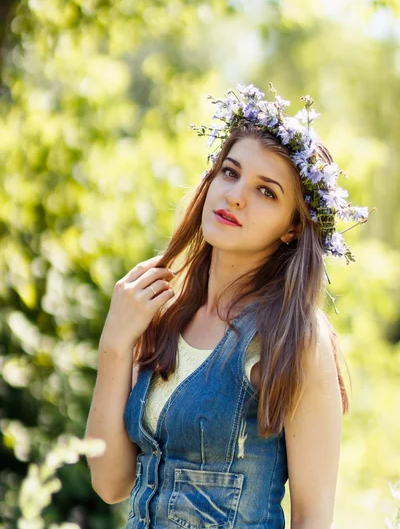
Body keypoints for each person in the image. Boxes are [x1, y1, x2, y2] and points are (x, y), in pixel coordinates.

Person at [85, 83, 371, 529]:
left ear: (292, 229)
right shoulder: (159, 314)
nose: (236, 195)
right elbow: (110, 483)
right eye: (231, 172)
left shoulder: (293, 337)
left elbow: (314, 517)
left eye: (267, 192)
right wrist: (115, 344)